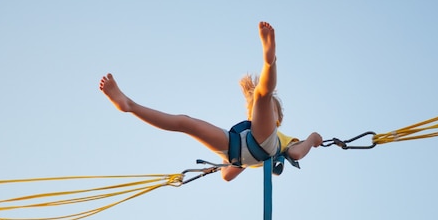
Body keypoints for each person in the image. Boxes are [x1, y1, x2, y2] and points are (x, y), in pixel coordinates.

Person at [99, 21, 322, 181]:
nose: (263, 113)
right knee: (185, 122)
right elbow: (227, 174)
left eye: (269, 112)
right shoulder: (252, 132)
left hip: (248, 149)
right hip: (237, 148)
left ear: (278, 119)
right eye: (257, 111)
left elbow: (295, 153)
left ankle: (269, 61)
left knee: (264, 94)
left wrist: (311, 139)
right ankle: (129, 105)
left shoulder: (283, 138)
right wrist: (244, 161)